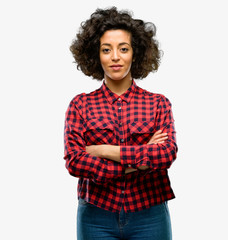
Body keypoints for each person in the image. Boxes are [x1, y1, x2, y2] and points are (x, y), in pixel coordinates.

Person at [64, 7, 177, 240]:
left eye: (123, 49)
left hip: (150, 214)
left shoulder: (158, 104)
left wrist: (103, 151)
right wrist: (139, 161)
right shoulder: (80, 105)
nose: (115, 57)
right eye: (106, 50)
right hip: (95, 215)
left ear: (135, 53)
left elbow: (166, 155)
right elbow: (75, 161)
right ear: (96, 55)